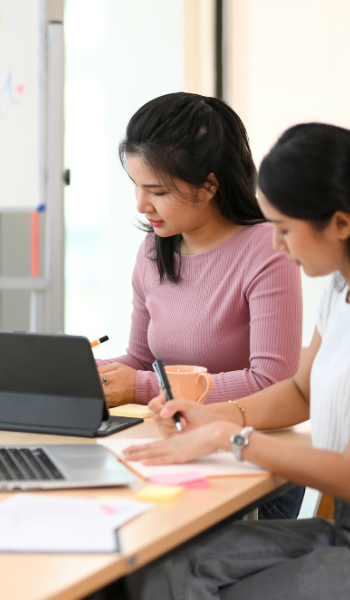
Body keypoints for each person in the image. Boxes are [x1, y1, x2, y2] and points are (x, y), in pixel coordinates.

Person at [123, 123, 350, 598]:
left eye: (284, 229)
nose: (276, 244)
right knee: (160, 566)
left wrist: (235, 439)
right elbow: (300, 391)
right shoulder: (338, 289)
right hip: (340, 533)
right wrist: (215, 417)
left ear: (340, 224)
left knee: (184, 584)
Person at [97, 93, 302, 410]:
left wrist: (141, 388)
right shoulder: (153, 247)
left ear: (208, 188)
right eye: (136, 185)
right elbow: (143, 361)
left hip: (237, 434)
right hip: (170, 429)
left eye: (157, 191)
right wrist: (83, 369)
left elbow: (271, 382)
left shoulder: (269, 249)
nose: (141, 205)